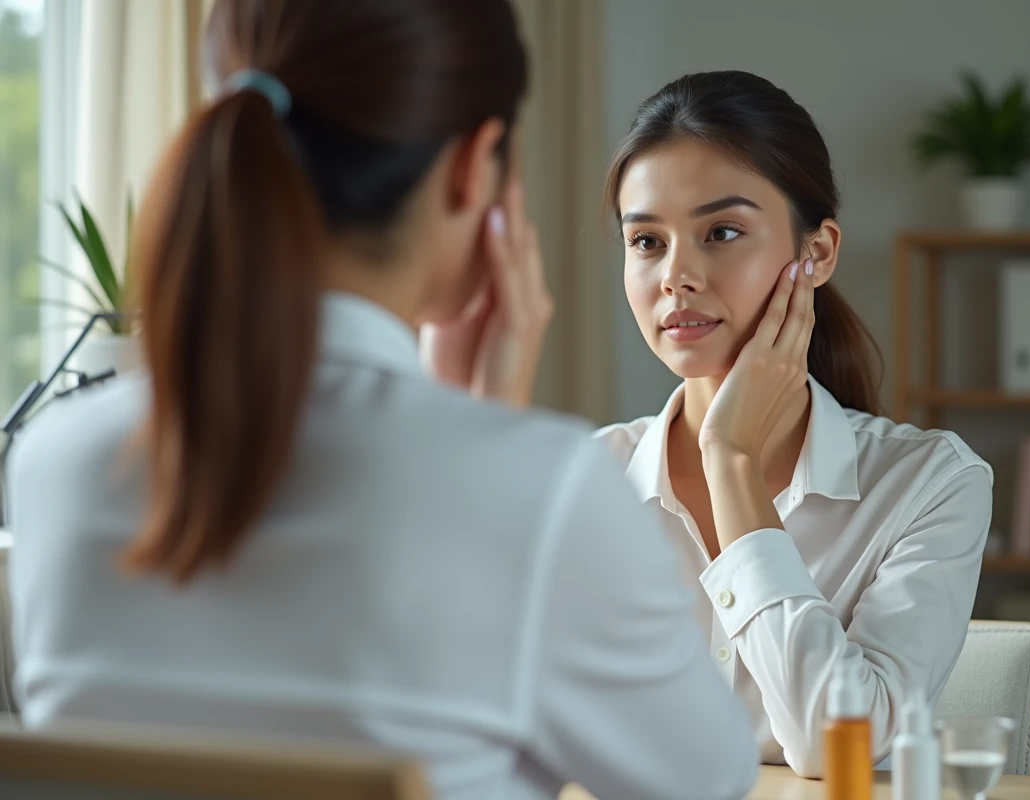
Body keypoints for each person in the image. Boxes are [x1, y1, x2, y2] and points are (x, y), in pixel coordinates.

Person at [4, 4, 761, 799]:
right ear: (478, 164)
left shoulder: (55, 463)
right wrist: (495, 432)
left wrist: (476, 427)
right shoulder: (547, 490)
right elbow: (706, 783)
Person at [597, 70, 994, 777]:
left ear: (815, 254)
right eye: (648, 242)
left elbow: (837, 749)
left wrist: (730, 462)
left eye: (720, 232)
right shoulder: (588, 480)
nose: (675, 276)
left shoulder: (930, 483)